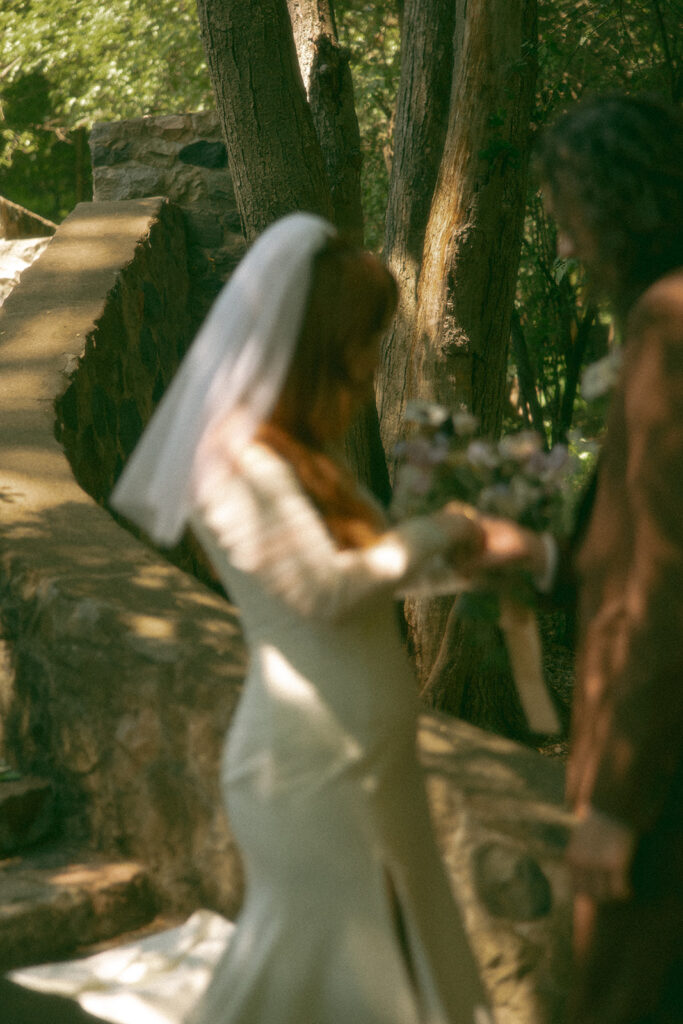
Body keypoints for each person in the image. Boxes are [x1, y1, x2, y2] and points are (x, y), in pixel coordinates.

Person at [12, 213, 491, 1024]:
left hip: (372, 757)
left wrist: (469, 563)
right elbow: (324, 592)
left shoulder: (299, 454)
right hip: (308, 767)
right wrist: (442, 531)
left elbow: (365, 584)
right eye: (362, 339)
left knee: (408, 970)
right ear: (316, 341)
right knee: (326, 985)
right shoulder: (233, 460)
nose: (371, 359)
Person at [465, 95, 683, 1023]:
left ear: (617, 204)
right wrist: (545, 559)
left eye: (568, 222)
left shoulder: (668, 327)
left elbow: (671, 582)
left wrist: (618, 800)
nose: (564, 250)